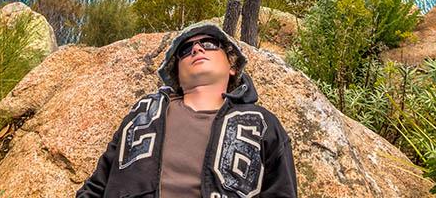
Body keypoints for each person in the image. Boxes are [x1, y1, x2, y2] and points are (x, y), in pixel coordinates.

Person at [75, 21, 298, 198]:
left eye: (210, 43)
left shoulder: (260, 123)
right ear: (176, 73)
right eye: (184, 50)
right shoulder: (145, 113)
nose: (197, 48)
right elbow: (97, 185)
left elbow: (282, 191)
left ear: (232, 66)